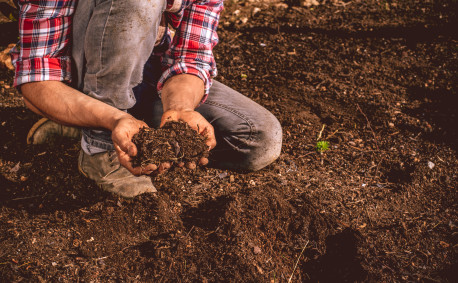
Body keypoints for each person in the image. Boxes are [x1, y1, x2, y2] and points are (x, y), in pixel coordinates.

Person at [11, 0, 282, 198]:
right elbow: (36, 79)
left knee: (257, 139)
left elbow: (191, 58)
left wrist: (180, 108)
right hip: (81, 71)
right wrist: (113, 116)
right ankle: (100, 146)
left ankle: (89, 124)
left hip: (149, 73)